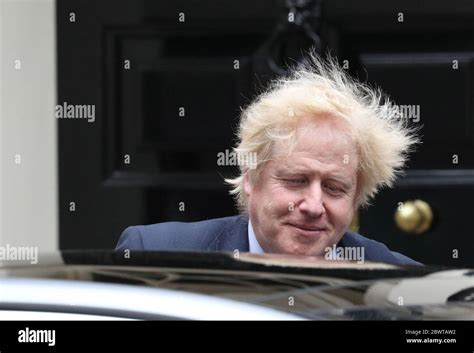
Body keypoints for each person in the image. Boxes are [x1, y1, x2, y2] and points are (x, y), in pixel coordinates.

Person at [116, 53, 421, 265]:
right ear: (251, 178)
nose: (313, 206)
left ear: (356, 200)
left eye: (334, 188)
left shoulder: (400, 283)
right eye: (295, 180)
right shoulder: (154, 254)